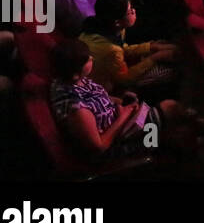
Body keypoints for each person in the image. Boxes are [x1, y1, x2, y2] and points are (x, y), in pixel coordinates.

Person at [49, 38, 179, 159]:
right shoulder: (77, 110)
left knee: (169, 117)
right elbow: (100, 147)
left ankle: (175, 136)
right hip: (120, 143)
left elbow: (97, 97)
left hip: (122, 120)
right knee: (170, 107)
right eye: (87, 60)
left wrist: (120, 101)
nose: (92, 58)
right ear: (75, 75)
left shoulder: (70, 80)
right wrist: (125, 114)